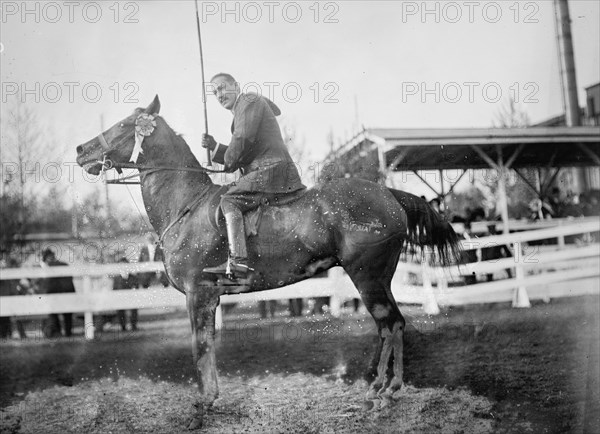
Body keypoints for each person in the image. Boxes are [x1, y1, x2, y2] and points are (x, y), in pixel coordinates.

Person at [201, 73, 306, 278]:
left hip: (271, 170)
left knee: (229, 200)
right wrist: (215, 148)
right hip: (266, 169)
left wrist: (228, 162)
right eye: (215, 93)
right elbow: (244, 152)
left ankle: (238, 262)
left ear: (237, 86)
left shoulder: (248, 100)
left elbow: (242, 139)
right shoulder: (243, 110)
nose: (219, 95)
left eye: (222, 88)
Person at [39, 248, 75, 337]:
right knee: (67, 315)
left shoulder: (47, 267)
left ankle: (58, 332)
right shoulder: (64, 264)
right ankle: (67, 333)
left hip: (55, 293)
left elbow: (45, 284)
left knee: (53, 313)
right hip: (67, 293)